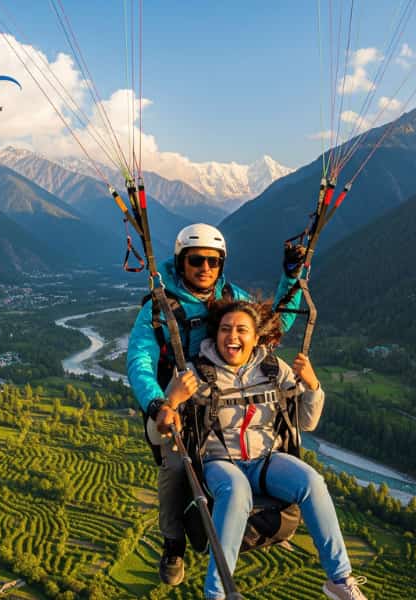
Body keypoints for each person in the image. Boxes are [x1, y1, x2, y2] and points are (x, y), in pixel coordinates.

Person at [126, 223, 305, 585]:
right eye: (197, 260)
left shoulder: (230, 296)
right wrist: (160, 403)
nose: (205, 268)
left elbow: (273, 327)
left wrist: (291, 277)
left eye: (213, 261)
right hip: (178, 402)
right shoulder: (159, 309)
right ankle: (173, 542)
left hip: (225, 400)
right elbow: (140, 361)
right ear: (181, 262)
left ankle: (256, 517)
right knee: (176, 464)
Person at [163, 300, 367, 600]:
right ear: (215, 334)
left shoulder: (273, 369)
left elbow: (306, 422)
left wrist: (312, 386)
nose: (232, 336)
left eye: (241, 330)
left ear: (256, 337)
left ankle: (339, 579)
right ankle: (216, 594)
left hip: (265, 459)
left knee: (312, 481)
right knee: (236, 490)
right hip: (218, 461)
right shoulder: (194, 373)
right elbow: (163, 431)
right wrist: (172, 400)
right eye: (225, 329)